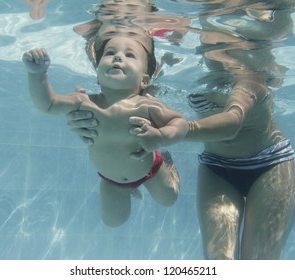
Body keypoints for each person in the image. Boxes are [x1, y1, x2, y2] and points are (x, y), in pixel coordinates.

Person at [67, 0, 295, 259]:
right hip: (217, 168)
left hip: (270, 165)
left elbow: (231, 125)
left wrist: (170, 131)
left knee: (260, 260)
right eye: (212, 45)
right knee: (218, 260)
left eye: (232, 46)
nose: (223, 54)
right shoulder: (193, 76)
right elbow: (132, 98)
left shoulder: (250, 80)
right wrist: (91, 120)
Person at [22, 36, 188, 227]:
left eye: (129, 55)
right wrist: (37, 75)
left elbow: (179, 122)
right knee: (113, 221)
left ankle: (167, 162)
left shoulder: (146, 104)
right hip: (111, 180)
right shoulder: (83, 102)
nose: (118, 57)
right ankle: (127, 190)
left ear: (144, 80)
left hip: (151, 168)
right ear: (98, 75)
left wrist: (161, 137)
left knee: (169, 199)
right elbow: (48, 104)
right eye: (110, 53)